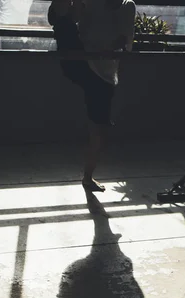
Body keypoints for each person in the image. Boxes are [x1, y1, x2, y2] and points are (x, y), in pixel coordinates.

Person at [48, 0, 136, 192]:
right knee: (99, 128)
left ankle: (88, 177)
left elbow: (125, 39)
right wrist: (71, 11)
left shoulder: (127, 6)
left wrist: (110, 48)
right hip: (82, 61)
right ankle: (88, 178)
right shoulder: (91, 3)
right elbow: (67, 19)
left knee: (99, 129)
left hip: (103, 72)